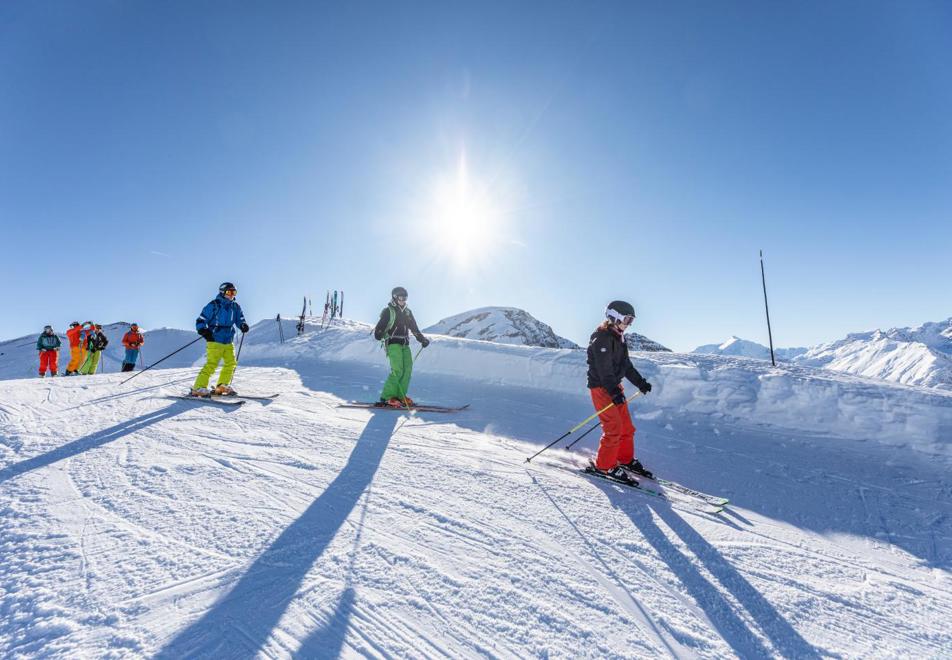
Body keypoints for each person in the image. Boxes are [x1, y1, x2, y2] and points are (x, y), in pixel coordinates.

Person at [586, 300, 653, 483]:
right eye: (627, 319)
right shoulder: (601, 338)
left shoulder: (619, 338)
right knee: (613, 429)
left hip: (614, 387)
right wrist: (614, 392)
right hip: (601, 389)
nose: (628, 324)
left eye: (631, 320)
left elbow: (626, 366)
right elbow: (604, 370)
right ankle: (604, 466)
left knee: (627, 427)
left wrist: (640, 383)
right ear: (614, 316)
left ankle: (624, 459)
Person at [372, 286, 430, 407]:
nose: (403, 300)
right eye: (401, 298)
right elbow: (380, 326)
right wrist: (378, 333)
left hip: (405, 344)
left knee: (407, 370)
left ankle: (400, 396)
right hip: (393, 343)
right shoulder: (389, 311)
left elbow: (414, 328)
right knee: (397, 370)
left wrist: (422, 339)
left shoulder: (408, 312)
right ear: (394, 297)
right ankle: (387, 397)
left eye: (405, 298)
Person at [190, 282, 249, 397]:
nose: (231, 294)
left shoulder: (235, 307)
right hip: (215, 338)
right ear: (222, 292)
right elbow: (201, 320)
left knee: (231, 363)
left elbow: (240, 319)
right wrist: (203, 330)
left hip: (228, 339)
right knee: (212, 364)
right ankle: (198, 387)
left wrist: (243, 325)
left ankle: (222, 385)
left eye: (234, 292)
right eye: (229, 292)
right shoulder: (214, 305)